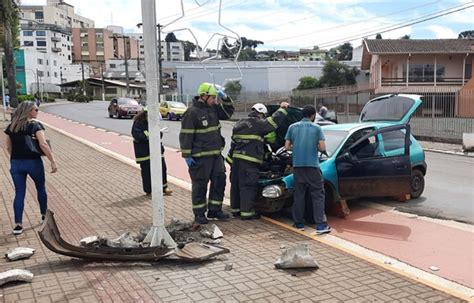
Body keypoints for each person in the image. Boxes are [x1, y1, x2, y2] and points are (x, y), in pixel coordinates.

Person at [179, 82, 234, 224]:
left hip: (216, 155)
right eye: (213, 97)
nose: (215, 100)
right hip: (200, 157)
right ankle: (199, 214)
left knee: (219, 182)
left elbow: (228, 113)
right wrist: (187, 155)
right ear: (203, 96)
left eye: (216, 97)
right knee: (200, 185)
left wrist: (225, 97)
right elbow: (186, 135)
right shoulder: (191, 113)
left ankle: (215, 210)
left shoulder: (213, 109)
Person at [228, 102, 289, 220]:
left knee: (236, 186)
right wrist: (282, 109)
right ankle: (247, 213)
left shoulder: (239, 124)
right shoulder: (257, 124)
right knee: (248, 186)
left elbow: (234, 145)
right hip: (249, 162)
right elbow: (273, 122)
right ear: (260, 113)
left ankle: (236, 210)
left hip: (236, 161)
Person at [4, 101, 57, 235]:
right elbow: (43, 144)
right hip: (33, 162)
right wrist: (53, 161)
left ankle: (18, 225)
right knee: (40, 188)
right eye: (36, 109)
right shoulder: (35, 125)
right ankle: (44, 215)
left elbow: (8, 147)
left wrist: (16, 158)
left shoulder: (12, 126)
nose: (37, 112)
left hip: (16, 163)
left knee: (19, 192)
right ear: (29, 111)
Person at [284, 105, 330, 234]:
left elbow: (287, 146)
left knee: (299, 195)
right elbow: (322, 147)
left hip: (298, 167)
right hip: (312, 166)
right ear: (313, 115)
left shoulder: (292, 127)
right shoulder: (316, 128)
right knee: (318, 195)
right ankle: (320, 225)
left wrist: (297, 147)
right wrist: (314, 146)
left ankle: (298, 223)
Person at [131, 107, 172, 196]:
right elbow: (137, 135)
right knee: (146, 171)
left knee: (162, 168)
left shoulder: (155, 122)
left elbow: (159, 134)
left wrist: (158, 134)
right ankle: (148, 190)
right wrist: (149, 136)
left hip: (157, 150)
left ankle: (164, 187)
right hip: (144, 152)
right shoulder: (138, 123)